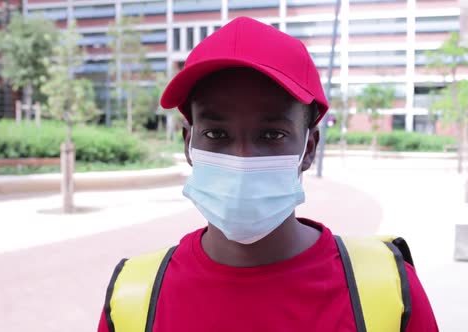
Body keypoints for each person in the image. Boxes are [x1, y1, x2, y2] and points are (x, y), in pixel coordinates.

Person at [98, 16, 438, 332]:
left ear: (309, 148)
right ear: (189, 143)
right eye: (217, 135)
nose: (242, 159)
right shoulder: (133, 298)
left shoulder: (388, 292)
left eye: (272, 135)